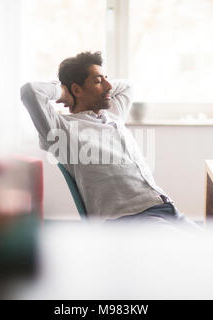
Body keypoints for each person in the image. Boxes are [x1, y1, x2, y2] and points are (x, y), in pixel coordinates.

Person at [20, 51, 200, 230]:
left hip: (166, 207)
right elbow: (30, 91)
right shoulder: (62, 129)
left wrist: (100, 83)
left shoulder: (113, 114)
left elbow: (127, 86)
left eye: (106, 79)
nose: (109, 87)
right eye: (98, 81)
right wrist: (63, 92)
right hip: (128, 219)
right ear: (76, 89)